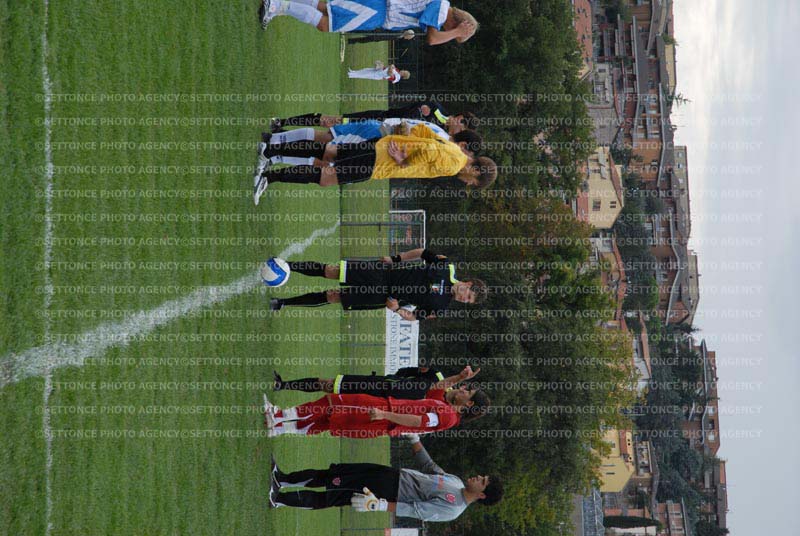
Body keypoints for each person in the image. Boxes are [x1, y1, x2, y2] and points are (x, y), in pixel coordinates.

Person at [268, 435, 504, 522]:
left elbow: (415, 510)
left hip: (387, 491)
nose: (477, 477)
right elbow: (430, 467)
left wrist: (380, 505)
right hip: (390, 474)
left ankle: (278, 499)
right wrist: (414, 439)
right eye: (482, 476)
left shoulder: (452, 509)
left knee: (334, 494)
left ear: (482, 495)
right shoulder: (456, 482)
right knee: (335, 473)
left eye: (482, 481)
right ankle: (282, 478)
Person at [252, 123, 497, 203]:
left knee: (329, 152)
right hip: (380, 162)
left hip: (381, 148)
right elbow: (428, 149)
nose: (468, 184)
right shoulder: (454, 164)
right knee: (327, 177)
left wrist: (405, 140)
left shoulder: (454, 148)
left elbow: (423, 132)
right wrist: (405, 160)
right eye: (473, 182)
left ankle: (270, 151)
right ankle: (268, 176)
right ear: (475, 171)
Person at [267, 247, 487, 322]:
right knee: (331, 271)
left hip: (382, 297)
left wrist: (397, 309)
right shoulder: (446, 266)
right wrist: (396, 259)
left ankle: (282, 303)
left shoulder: (441, 308)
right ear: (468, 283)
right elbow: (422, 252)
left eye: (468, 301)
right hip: (383, 273)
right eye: (468, 295)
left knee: (334, 296)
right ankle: (286, 266)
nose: (464, 299)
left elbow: (415, 317)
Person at [262, 381, 489, 438]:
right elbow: (434, 391)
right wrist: (458, 377)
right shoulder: (448, 410)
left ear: (469, 404)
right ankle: (278, 428)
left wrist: (383, 413)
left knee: (331, 403)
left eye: (467, 391)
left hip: (382, 414)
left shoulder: (448, 416)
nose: (463, 389)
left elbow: (417, 421)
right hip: (383, 416)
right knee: (328, 421)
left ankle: (278, 416)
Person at [259, 0, 479, 46]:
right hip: (378, 12)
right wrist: (456, 33)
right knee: (326, 24)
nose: (447, 33)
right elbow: (432, 38)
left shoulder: (441, 6)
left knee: (326, 8)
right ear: (455, 23)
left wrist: (455, 32)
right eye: (451, 32)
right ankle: (276, 6)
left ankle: (278, 5)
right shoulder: (441, 11)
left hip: (378, 8)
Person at [273, 364, 480, 399]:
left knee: (329, 393)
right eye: (466, 387)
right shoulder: (436, 376)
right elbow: (408, 371)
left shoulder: (440, 403)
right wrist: (396, 379)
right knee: (327, 384)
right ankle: (284, 385)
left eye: (467, 391)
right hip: (379, 383)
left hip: (377, 398)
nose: (463, 388)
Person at [269, 104, 478, 135]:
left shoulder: (441, 135)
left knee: (331, 139)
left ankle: (282, 136)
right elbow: (405, 113)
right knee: (329, 122)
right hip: (377, 119)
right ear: (460, 119)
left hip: (378, 135)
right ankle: (283, 123)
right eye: (461, 128)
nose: (458, 133)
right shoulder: (434, 109)